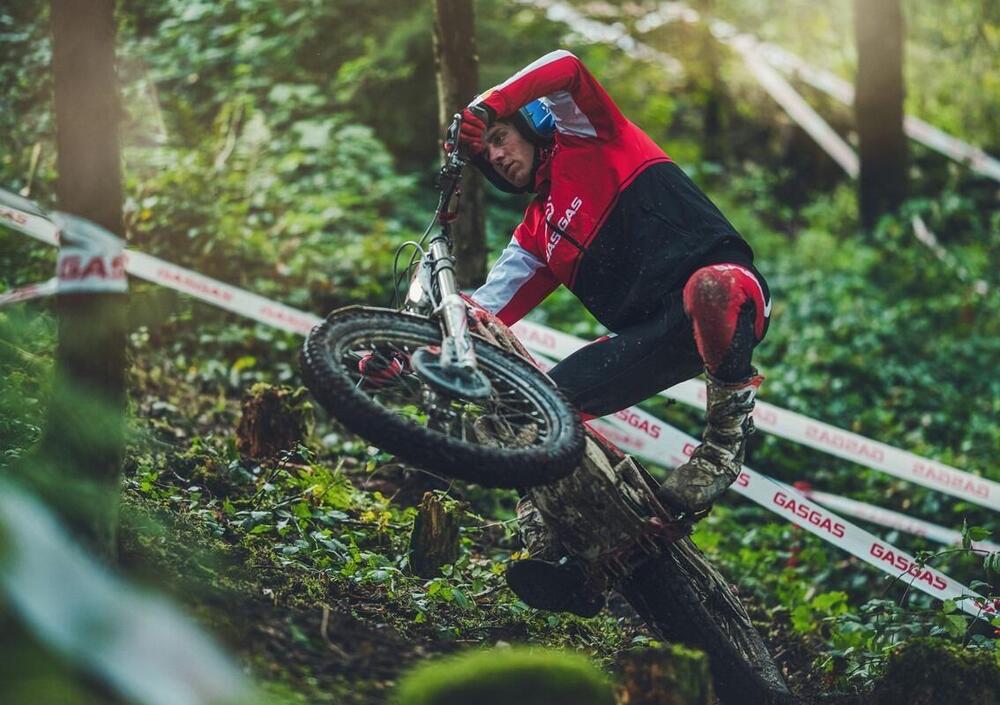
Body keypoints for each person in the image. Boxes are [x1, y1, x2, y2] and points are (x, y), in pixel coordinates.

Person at [456, 50, 771, 615]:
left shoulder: (590, 136)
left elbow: (566, 65)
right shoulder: (536, 235)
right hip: (655, 336)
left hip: (728, 289)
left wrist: (490, 106)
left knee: (710, 289)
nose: (497, 156)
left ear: (529, 125)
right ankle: (566, 549)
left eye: (501, 139)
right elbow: (479, 311)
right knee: (536, 411)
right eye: (488, 154)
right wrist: (397, 349)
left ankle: (723, 446)